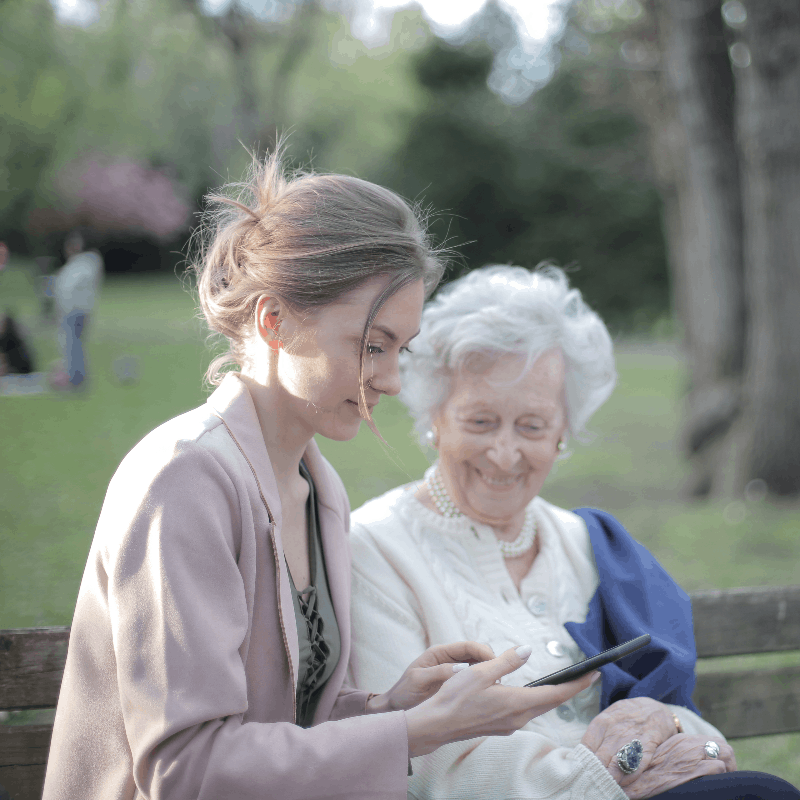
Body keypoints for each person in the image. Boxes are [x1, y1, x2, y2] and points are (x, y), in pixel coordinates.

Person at [42, 153, 598, 800]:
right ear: (275, 321)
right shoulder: (184, 479)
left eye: (400, 350)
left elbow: (283, 724)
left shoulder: (317, 488)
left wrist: (391, 707)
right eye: (370, 345)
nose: (390, 380)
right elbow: (187, 770)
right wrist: (412, 733)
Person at [346, 265, 800, 800]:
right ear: (434, 417)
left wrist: (666, 727)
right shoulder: (374, 549)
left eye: (533, 426)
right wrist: (607, 779)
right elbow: (426, 765)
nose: (505, 453)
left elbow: (698, 735)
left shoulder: (592, 545)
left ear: (563, 432)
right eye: (480, 421)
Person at [53, 230, 103, 389]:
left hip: (76, 312)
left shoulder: (84, 265)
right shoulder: (77, 266)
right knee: (72, 346)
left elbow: (69, 288)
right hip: (72, 311)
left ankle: (76, 379)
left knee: (74, 346)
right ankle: (74, 377)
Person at [0, 311, 35, 375]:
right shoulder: (10, 338)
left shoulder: (7, 340)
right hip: (24, 370)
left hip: (18, 372)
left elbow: (5, 363)